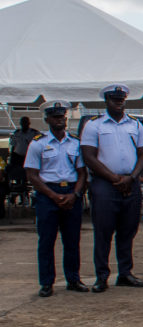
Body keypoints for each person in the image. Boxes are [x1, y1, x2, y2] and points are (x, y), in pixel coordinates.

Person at [80, 84, 143, 292]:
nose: (118, 102)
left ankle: (125, 273)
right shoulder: (94, 125)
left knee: (128, 231)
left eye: (121, 99)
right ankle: (102, 276)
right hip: (105, 184)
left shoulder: (135, 125)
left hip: (131, 182)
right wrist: (114, 178)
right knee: (103, 232)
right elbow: (89, 156)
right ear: (106, 101)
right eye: (114, 99)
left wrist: (132, 177)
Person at [24, 100, 88, 297]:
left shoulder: (75, 143)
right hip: (47, 194)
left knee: (72, 241)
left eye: (62, 116)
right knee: (46, 241)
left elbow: (82, 173)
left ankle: (73, 279)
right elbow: (32, 175)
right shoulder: (38, 143)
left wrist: (75, 194)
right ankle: (46, 282)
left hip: (71, 192)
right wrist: (52, 195)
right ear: (47, 119)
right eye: (55, 117)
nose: (60, 120)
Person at [7, 115, 39, 198]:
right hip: (18, 157)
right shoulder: (17, 133)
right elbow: (13, 146)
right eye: (22, 123)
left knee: (26, 176)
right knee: (16, 176)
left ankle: (26, 195)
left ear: (29, 123)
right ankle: (17, 196)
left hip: (29, 157)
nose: (24, 125)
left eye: (25, 123)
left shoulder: (34, 133)